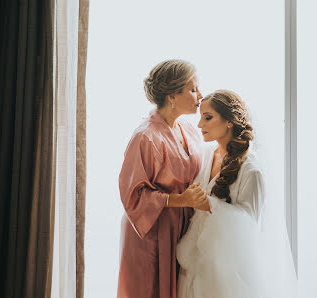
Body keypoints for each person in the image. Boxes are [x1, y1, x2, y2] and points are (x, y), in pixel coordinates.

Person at [177, 90, 298, 298]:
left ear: (229, 122)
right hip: (195, 264)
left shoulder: (251, 170)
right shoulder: (207, 155)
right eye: (200, 118)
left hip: (227, 273)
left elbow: (251, 225)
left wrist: (210, 205)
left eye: (207, 118)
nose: (199, 125)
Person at [117, 59, 211, 298]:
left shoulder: (188, 130)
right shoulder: (145, 137)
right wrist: (181, 200)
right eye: (192, 89)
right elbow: (133, 196)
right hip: (150, 232)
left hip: (180, 228)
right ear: (172, 96)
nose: (200, 95)